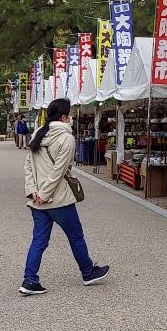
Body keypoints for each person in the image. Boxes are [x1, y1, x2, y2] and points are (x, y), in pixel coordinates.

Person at [21, 98, 109, 296]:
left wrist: (33, 190)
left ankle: (30, 279)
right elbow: (58, 171)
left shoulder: (39, 133)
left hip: (37, 201)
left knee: (39, 241)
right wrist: (44, 194)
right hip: (59, 199)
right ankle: (88, 272)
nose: (70, 118)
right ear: (64, 117)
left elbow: (28, 164)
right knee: (76, 236)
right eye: (69, 114)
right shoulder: (66, 138)